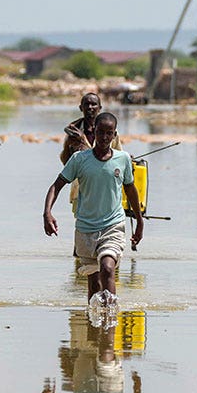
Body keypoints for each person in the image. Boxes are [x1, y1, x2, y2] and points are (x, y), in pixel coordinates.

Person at [44, 112, 144, 310]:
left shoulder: (123, 159)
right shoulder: (79, 159)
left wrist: (139, 222)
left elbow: (130, 189)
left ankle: (110, 318)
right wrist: (47, 212)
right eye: (101, 132)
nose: (105, 138)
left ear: (115, 135)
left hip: (113, 225)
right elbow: (57, 185)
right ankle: (95, 324)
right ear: (94, 132)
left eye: (109, 133)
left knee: (107, 268)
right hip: (86, 228)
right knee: (94, 281)